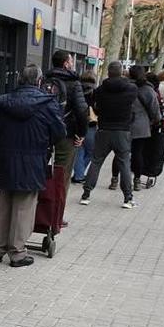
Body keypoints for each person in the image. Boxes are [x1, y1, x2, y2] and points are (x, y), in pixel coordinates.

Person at [0, 65, 66, 267]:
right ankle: (17, 252)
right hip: (33, 161)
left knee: (5, 204)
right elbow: (59, 133)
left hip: (7, 161)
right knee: (24, 206)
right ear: (39, 81)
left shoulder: (3, 102)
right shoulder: (48, 103)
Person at [80, 61, 139, 208]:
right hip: (123, 130)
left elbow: (96, 108)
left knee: (96, 161)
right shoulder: (131, 89)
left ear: (108, 72)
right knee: (124, 163)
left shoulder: (100, 90)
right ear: (121, 72)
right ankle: (127, 198)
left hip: (104, 130)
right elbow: (133, 107)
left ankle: (86, 194)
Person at [45, 50, 89, 226]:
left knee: (42, 170)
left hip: (44, 132)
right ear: (65, 63)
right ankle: (56, 216)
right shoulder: (74, 83)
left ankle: (38, 210)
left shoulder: (45, 79)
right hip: (66, 133)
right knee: (62, 174)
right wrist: (82, 134)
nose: (72, 63)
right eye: (70, 61)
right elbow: (81, 111)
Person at [111, 65, 161, 190]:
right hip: (141, 127)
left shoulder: (123, 87)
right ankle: (137, 181)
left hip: (122, 125)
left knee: (120, 153)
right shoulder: (148, 90)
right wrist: (155, 121)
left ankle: (114, 179)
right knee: (138, 153)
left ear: (129, 74)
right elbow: (155, 110)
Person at [72, 70, 99, 184]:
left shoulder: (76, 89)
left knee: (79, 150)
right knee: (91, 151)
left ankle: (78, 174)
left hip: (76, 123)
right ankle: (80, 173)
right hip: (91, 125)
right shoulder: (96, 92)